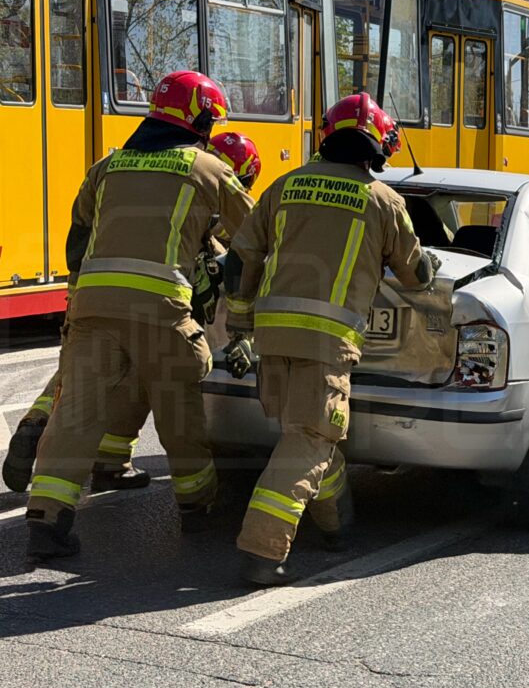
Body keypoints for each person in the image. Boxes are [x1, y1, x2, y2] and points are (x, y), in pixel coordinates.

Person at [23, 71, 254, 562]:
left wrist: (82, 295)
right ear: (200, 120)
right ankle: (197, 504)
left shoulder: (107, 165)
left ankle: (47, 517)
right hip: (160, 310)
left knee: (76, 412)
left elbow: (79, 236)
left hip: (92, 305)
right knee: (177, 405)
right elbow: (255, 237)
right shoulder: (207, 168)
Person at [223, 92, 435, 586]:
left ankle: (338, 523)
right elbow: (416, 276)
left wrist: (239, 326)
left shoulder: (286, 185)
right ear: (379, 145)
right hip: (327, 344)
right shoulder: (383, 200)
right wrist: (430, 263)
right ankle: (261, 551)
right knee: (310, 440)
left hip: (273, 340)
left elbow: (239, 260)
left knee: (308, 436)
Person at [2, 132, 262, 496]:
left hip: (98, 293)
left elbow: (81, 230)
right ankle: (190, 497)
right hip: (165, 310)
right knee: (159, 380)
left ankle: (74, 439)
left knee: (84, 375)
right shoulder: (212, 190)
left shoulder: (126, 172)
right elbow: (247, 247)